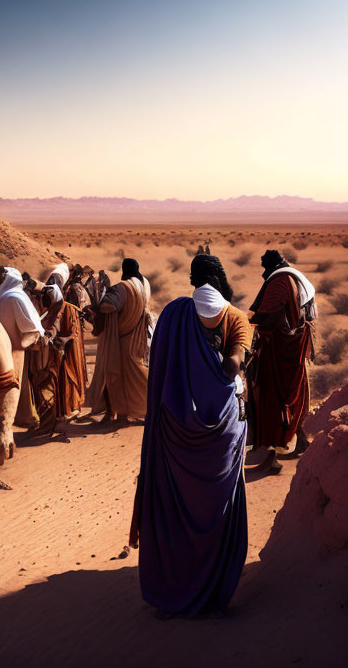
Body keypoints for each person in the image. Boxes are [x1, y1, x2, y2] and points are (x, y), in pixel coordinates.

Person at [131, 254, 249, 617]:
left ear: (194, 280)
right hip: (221, 433)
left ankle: (174, 585)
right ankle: (212, 588)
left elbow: (159, 365)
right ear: (221, 278)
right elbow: (232, 367)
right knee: (217, 507)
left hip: (173, 427)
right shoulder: (234, 317)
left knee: (175, 505)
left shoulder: (173, 313)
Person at [247, 249, 315, 472]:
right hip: (293, 347)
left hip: (279, 350)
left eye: (265, 267)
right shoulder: (294, 276)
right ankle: (301, 440)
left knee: (270, 398)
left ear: (272, 266)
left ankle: (271, 459)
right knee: (290, 396)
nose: (264, 272)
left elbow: (269, 315)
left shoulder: (280, 280)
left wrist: (253, 322)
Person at [85, 258, 152, 424]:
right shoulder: (144, 284)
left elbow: (110, 306)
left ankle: (115, 413)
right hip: (139, 336)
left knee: (113, 374)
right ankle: (126, 412)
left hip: (122, 340)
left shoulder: (124, 288)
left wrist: (99, 303)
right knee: (137, 373)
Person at [0, 267, 44, 427]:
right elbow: (29, 326)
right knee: (17, 383)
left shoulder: (7, 297)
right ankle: (25, 417)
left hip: (4, 347)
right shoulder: (14, 298)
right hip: (14, 348)